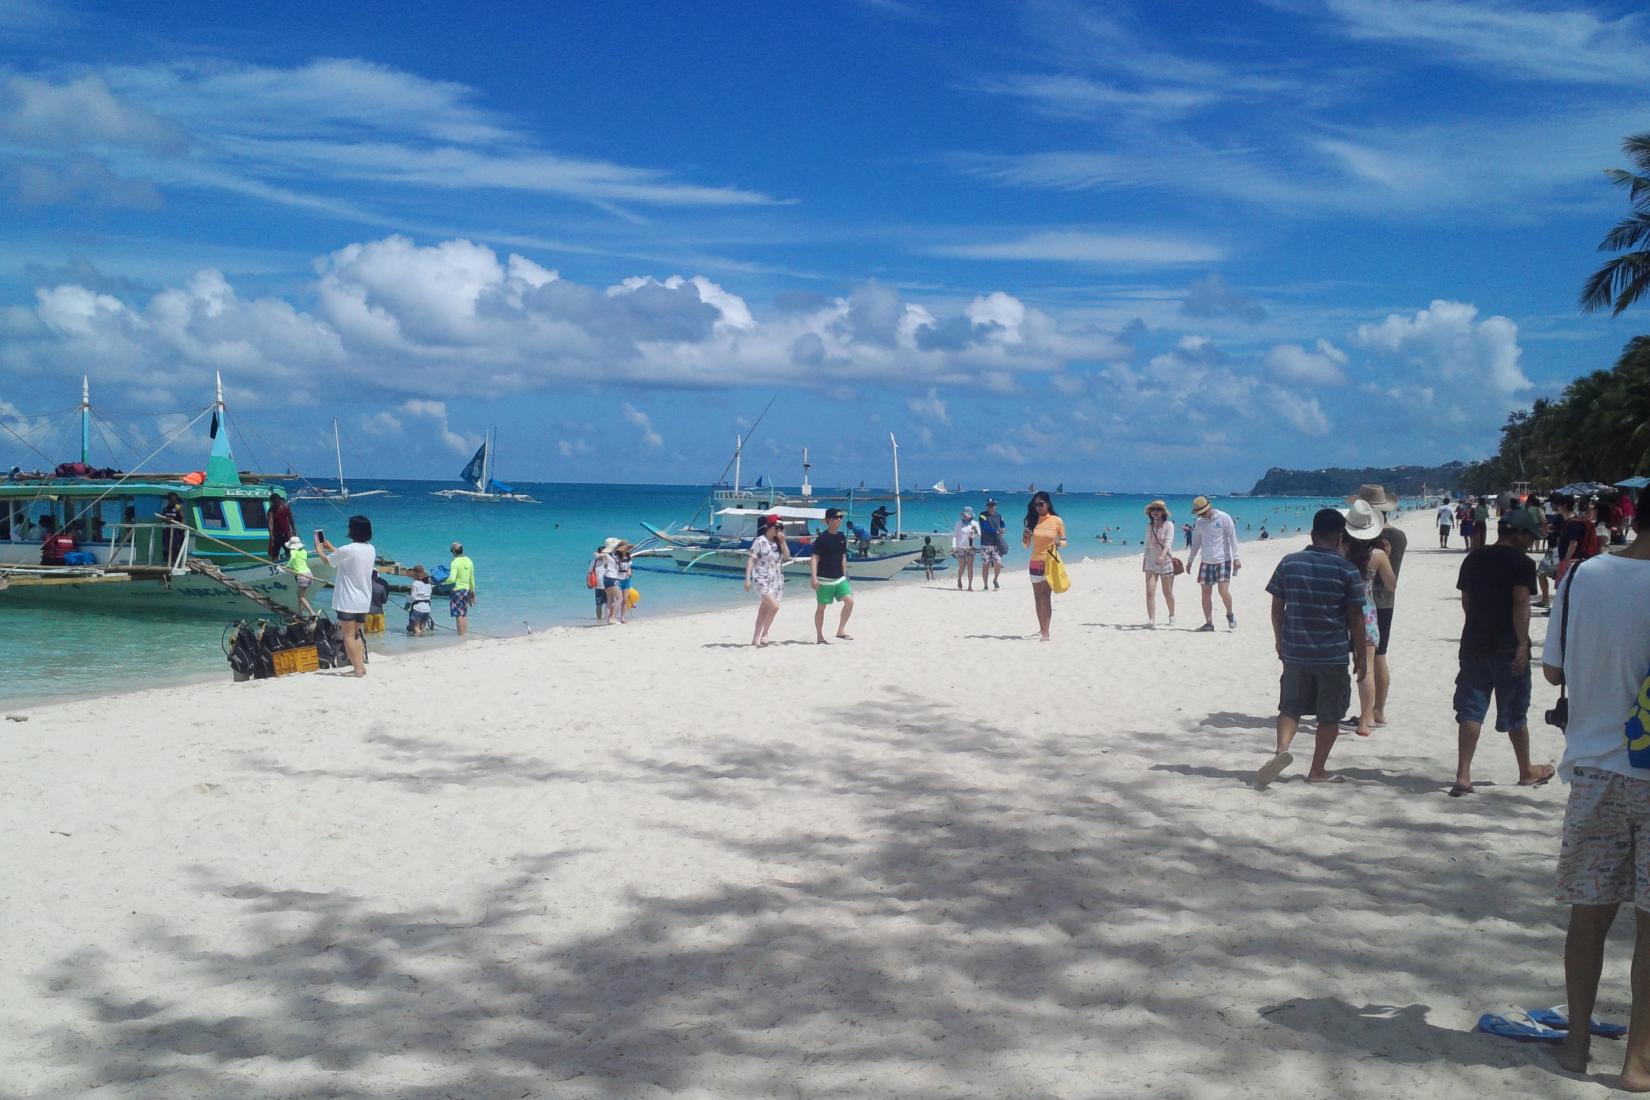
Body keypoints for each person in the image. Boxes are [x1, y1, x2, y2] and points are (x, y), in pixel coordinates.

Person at [1545, 491, 1650, 1083]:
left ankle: (1577, 1045)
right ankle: (1638, 1060)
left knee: (1588, 919)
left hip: (1594, 771)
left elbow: (1555, 670)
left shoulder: (1583, 576)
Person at [1258, 508, 1367, 786]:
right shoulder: (1347, 570)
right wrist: (1361, 656)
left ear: (1312, 533)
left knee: (1290, 707)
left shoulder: (1289, 563)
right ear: (1341, 536)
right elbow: (1356, 617)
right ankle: (1317, 771)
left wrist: (1279, 638)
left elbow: (1276, 608)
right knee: (1330, 714)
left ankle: (1281, 751)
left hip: (1295, 649)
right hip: (1332, 652)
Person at [1450, 509, 1554, 796]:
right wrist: (1522, 642)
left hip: (1473, 642)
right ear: (1518, 533)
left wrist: (1477, 625)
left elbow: (1466, 600)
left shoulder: (1474, 558)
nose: (1532, 542)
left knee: (1471, 709)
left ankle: (1463, 775)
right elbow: (1521, 600)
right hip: (1507, 645)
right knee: (1515, 708)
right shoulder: (1521, 562)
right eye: (1530, 536)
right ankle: (1526, 771)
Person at [1349, 485, 1407, 727]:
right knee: (1380, 656)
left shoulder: (1368, 540)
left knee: (1368, 662)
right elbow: (1393, 580)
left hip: (1368, 602)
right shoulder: (1398, 537)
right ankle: (1378, 709)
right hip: (1384, 603)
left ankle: (1369, 714)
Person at [1339, 501, 1395, 739]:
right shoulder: (1379, 555)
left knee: (1341, 666)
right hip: (1368, 614)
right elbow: (1391, 585)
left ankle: (1331, 713)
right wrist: (1387, 558)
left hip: (1342, 613)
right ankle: (1365, 720)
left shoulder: (1341, 551)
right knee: (1367, 668)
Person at [315, 515, 374, 678]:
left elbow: (327, 561)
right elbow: (346, 558)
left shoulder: (348, 549)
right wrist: (332, 547)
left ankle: (357, 669)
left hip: (348, 599)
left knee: (348, 635)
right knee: (357, 634)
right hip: (363, 599)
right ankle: (360, 666)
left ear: (352, 530)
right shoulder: (370, 549)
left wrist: (319, 549)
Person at [1185, 495, 1241, 632]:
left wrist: (1236, 557)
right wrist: (1190, 560)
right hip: (1205, 561)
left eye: (1203, 512)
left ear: (1208, 507)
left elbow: (1232, 537)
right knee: (1205, 594)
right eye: (1200, 513)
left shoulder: (1224, 517)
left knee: (1223, 591)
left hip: (1223, 560)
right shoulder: (1199, 522)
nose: (1202, 515)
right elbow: (1196, 542)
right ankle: (1209, 623)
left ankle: (1229, 613)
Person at [1022, 490, 1066, 641]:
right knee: (1037, 597)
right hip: (1034, 562)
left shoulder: (1056, 520)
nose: (1038, 508)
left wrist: (1058, 543)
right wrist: (1026, 537)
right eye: (1036, 505)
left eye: (1041, 504)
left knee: (1046, 596)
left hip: (1050, 561)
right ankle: (1041, 628)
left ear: (1047, 504)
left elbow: (1064, 540)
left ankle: (1046, 632)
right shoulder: (1033, 522)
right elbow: (1025, 545)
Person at [744, 513, 791, 646]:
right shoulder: (760, 541)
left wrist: (783, 541)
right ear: (769, 527)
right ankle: (765, 633)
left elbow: (787, 557)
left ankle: (756, 638)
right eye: (776, 527)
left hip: (776, 579)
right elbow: (751, 559)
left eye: (780, 527)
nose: (778, 530)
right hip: (761, 578)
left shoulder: (778, 542)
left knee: (764, 609)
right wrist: (747, 579)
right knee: (774, 606)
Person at [811, 507, 854, 643]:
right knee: (821, 608)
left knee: (850, 601)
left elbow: (842, 556)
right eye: (836, 517)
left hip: (840, 578)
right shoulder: (822, 538)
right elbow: (814, 558)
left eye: (840, 517)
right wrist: (813, 577)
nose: (839, 520)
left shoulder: (841, 536)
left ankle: (841, 630)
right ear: (829, 520)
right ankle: (819, 636)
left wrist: (845, 572)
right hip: (824, 579)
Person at [1142, 499, 1177, 629]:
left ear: (1163, 512)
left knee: (1167, 592)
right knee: (1150, 591)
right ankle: (1151, 619)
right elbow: (1147, 544)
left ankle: (1172, 614)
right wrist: (1144, 559)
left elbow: (1168, 543)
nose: (1155, 512)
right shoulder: (1149, 526)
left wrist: (1162, 555)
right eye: (1153, 510)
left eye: (1158, 509)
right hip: (1151, 561)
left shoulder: (1169, 525)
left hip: (1166, 561)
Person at [448, 541, 477, 636]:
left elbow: (452, 579)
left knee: (458, 615)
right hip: (466, 590)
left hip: (456, 590)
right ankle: (464, 635)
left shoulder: (454, 562)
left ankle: (460, 636)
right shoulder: (469, 560)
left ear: (454, 551)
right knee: (463, 613)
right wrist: (472, 591)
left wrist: (442, 582)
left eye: (451, 550)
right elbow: (472, 578)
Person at [977, 500, 1006, 590]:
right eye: (988, 505)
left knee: (998, 562)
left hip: (997, 543)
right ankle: (985, 585)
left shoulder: (999, 515)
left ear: (995, 506)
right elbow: (985, 527)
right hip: (985, 543)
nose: (990, 506)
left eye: (992, 505)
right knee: (986, 565)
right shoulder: (982, 515)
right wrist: (996, 531)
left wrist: (1003, 528)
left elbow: (1002, 523)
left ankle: (995, 580)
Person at [284, 535, 315, 616]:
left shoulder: (293, 551)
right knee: (299, 595)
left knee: (301, 597)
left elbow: (293, 559)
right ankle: (300, 612)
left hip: (302, 576)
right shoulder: (304, 551)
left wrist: (287, 566)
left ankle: (312, 612)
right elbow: (300, 562)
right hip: (309, 574)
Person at [952, 506, 980, 591]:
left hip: (971, 548)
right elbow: (954, 536)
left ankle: (970, 586)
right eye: (963, 514)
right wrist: (953, 546)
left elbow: (978, 535)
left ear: (970, 515)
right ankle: (959, 578)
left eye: (965, 514)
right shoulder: (958, 523)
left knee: (970, 567)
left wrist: (974, 531)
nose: (963, 516)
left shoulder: (975, 523)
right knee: (962, 566)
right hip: (961, 547)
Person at [266, 490, 295, 561]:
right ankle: (274, 565)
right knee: (275, 552)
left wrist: (293, 529)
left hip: (286, 532)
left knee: (289, 550)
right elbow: (270, 523)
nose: (276, 504)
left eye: (277, 502)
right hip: (277, 534)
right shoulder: (271, 511)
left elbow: (290, 518)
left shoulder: (285, 506)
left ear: (279, 500)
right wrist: (271, 535)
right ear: (272, 502)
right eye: (274, 503)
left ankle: (289, 562)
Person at [159, 492, 185, 565]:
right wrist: (166, 519)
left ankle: (176, 563)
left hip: (177, 532)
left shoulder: (178, 507)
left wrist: (182, 528)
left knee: (176, 548)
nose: (174, 502)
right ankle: (168, 562)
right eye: (172, 500)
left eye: (176, 500)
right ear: (169, 500)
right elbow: (163, 518)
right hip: (168, 532)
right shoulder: (166, 508)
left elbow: (182, 518)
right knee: (167, 548)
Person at [406, 565, 433, 635]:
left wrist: (407, 603)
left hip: (418, 608)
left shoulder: (415, 584)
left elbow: (413, 597)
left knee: (416, 628)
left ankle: (417, 644)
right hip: (427, 608)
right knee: (423, 627)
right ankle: (423, 643)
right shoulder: (429, 584)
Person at [612, 541, 635, 623]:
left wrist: (629, 571)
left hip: (626, 579)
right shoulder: (615, 556)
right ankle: (613, 616)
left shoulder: (628, 556)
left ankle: (622, 618)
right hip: (617, 579)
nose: (627, 549)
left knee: (625, 599)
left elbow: (629, 566)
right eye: (626, 547)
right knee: (618, 599)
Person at [591, 544, 611, 622]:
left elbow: (589, 572)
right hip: (601, 586)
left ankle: (604, 619)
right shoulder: (595, 561)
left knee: (604, 604)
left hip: (605, 586)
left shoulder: (596, 562)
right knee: (601, 604)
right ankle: (600, 620)